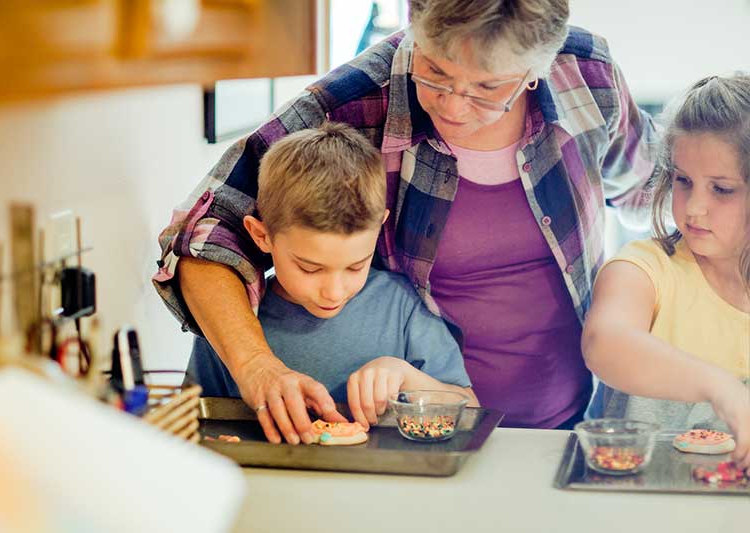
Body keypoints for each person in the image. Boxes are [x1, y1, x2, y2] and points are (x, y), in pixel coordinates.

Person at [153, 0, 657, 444]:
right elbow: (204, 232)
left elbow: (653, 194)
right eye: (435, 73)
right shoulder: (351, 102)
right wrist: (255, 365)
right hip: (410, 438)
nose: (455, 106)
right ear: (413, 20)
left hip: (571, 420)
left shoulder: (586, 73)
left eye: (487, 89)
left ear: (536, 69)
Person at [184, 123, 477, 440]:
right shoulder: (232, 318)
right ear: (261, 235)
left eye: (355, 266)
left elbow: (471, 414)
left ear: (380, 226)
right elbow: (196, 422)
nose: (334, 291)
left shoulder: (402, 308)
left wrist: (406, 376)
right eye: (310, 269)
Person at [582, 74, 750, 471]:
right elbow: (604, 343)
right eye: (683, 181)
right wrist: (720, 386)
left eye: (722, 189)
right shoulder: (642, 269)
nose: (694, 207)